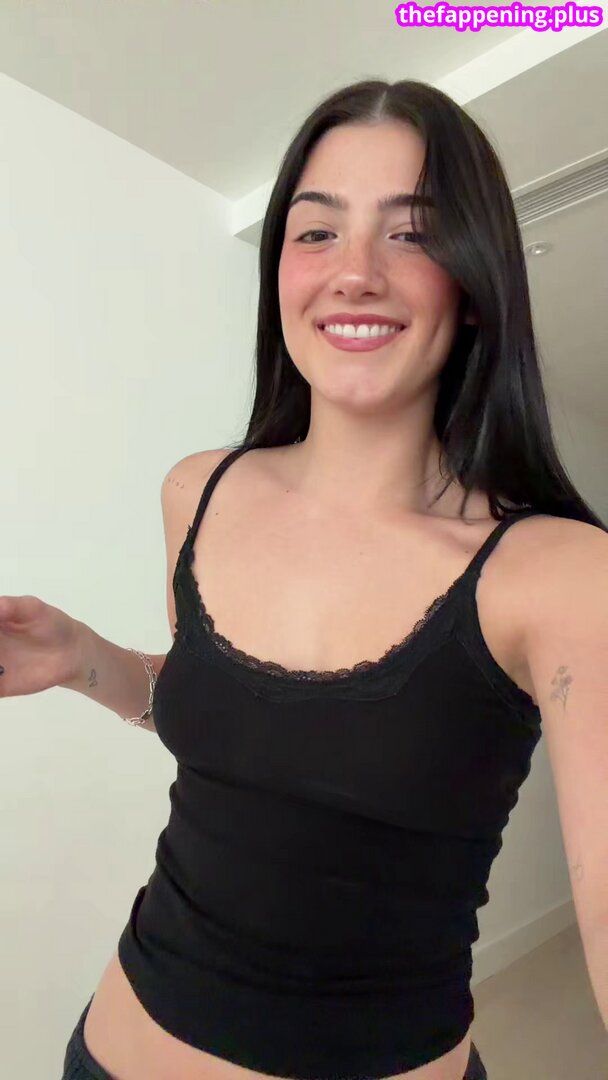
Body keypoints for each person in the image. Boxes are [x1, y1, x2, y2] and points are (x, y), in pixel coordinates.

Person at [2, 79, 606, 1080]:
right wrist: (80, 657)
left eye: (411, 234)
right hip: (109, 1050)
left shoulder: (559, 574)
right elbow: (240, 733)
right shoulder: (197, 491)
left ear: (473, 283)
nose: (354, 273)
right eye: (316, 233)